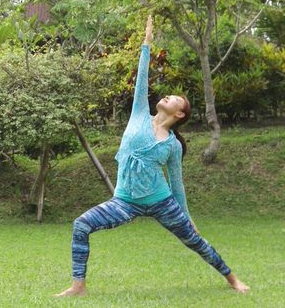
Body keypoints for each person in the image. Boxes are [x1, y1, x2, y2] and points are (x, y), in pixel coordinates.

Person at [56, 15, 249, 297]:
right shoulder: (139, 114)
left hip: (161, 202)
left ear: (179, 114)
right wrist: (146, 44)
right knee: (81, 224)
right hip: (125, 201)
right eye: (168, 95)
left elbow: (177, 184)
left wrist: (187, 217)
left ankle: (232, 279)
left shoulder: (172, 145)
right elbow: (141, 82)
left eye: (174, 99)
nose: (167, 97)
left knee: (195, 241)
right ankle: (78, 287)